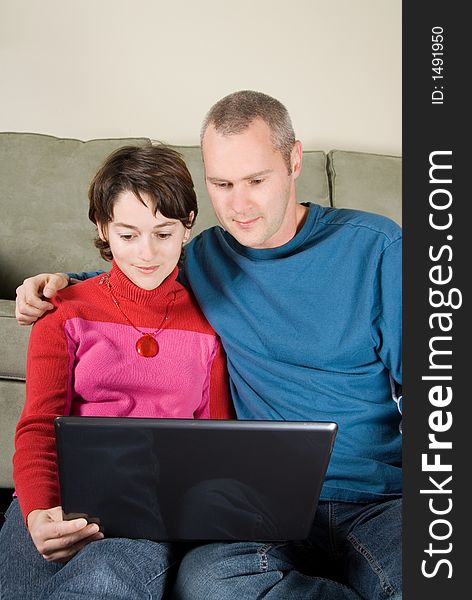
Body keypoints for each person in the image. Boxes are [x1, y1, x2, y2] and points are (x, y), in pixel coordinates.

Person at [13, 90, 402, 599]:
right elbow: (139, 274)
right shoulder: (208, 256)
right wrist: (57, 284)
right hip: (262, 503)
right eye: (222, 184)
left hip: (379, 497)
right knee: (211, 585)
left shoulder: (379, 249)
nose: (239, 205)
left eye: (256, 181)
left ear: (294, 161)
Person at [0, 144, 233, 600]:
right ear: (103, 228)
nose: (146, 254)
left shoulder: (209, 326)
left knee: (107, 579)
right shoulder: (63, 311)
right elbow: (37, 426)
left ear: (187, 226)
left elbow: (217, 440)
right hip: (60, 491)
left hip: (150, 506)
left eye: (163, 234)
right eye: (128, 236)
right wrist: (38, 511)